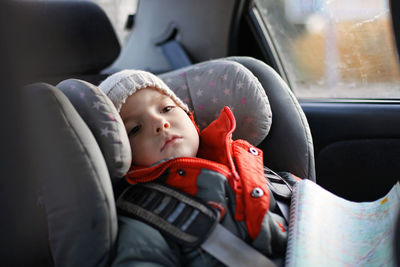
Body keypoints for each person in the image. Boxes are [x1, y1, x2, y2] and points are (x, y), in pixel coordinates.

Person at [99, 70, 298, 266]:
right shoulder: (144, 214)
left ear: (189, 117)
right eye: (135, 129)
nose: (160, 123)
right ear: (123, 154)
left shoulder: (242, 158)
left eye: (167, 109)